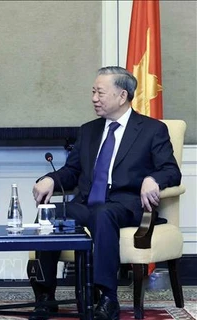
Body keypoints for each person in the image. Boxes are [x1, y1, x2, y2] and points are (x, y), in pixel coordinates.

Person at [28, 66, 181, 320]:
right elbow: (72, 171)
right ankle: (45, 297)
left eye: (100, 92)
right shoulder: (89, 130)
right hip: (87, 203)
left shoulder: (152, 130)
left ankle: (107, 297)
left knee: (104, 214)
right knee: (49, 214)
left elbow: (171, 171)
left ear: (122, 96)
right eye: (93, 92)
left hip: (124, 205)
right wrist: (50, 179)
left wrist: (153, 179)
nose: (94, 98)